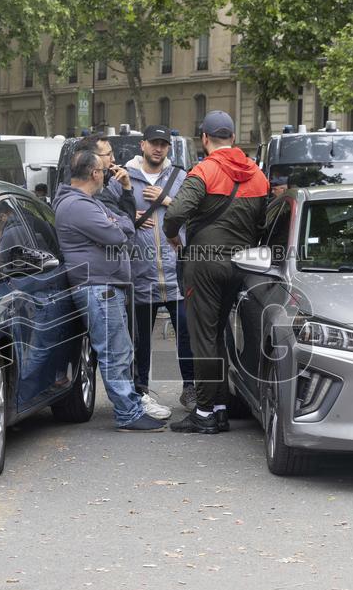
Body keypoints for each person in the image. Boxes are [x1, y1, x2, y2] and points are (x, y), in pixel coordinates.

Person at [162, 110, 269, 435]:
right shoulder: (257, 175)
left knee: (203, 337)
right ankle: (220, 408)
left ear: (204, 138)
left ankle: (205, 412)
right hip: (242, 265)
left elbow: (176, 213)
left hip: (204, 264)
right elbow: (263, 223)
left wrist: (172, 235)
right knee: (219, 334)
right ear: (233, 138)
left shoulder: (204, 170)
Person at [52, 149, 166, 432]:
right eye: (103, 171)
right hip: (97, 287)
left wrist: (119, 222)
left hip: (105, 286)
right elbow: (118, 234)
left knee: (120, 349)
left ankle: (131, 407)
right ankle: (127, 413)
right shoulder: (78, 205)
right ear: (94, 173)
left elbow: (122, 224)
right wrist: (120, 223)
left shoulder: (87, 202)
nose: (106, 175)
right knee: (114, 353)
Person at [125, 125, 195, 413]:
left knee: (187, 334)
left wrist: (167, 201)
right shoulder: (125, 177)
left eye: (163, 144)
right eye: (154, 143)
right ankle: (140, 390)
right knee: (141, 340)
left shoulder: (181, 177)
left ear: (168, 148)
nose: (158, 148)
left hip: (177, 273)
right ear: (142, 145)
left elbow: (196, 213)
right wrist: (131, 216)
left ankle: (190, 388)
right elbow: (108, 214)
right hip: (141, 273)